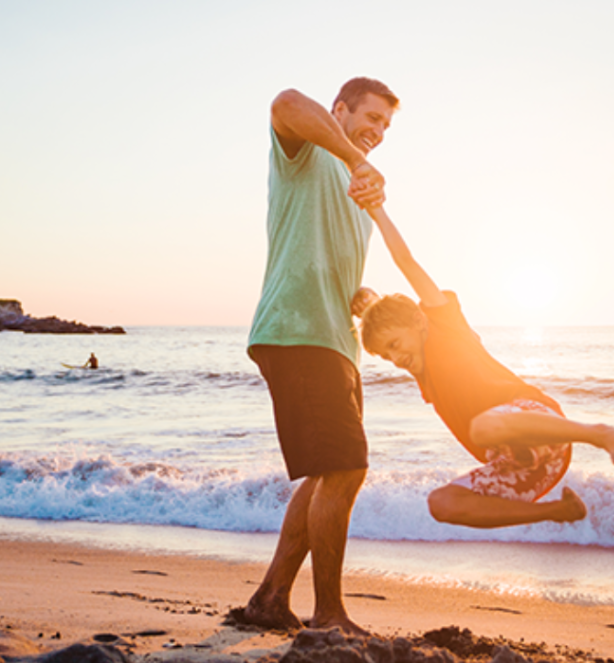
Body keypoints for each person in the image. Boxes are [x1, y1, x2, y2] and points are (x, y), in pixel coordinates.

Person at [357, 207, 614, 529]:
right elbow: (388, 319)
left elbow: (406, 262)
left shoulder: (444, 326)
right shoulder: (422, 371)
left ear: (419, 321)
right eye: (386, 357)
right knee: (442, 503)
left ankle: (598, 434)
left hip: (538, 421)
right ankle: (558, 511)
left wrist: (376, 209)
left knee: (482, 427)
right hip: (530, 467)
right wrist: (368, 305)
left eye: (394, 346)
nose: (395, 358)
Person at [242, 78, 399, 636]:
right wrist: (354, 153)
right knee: (347, 466)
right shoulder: (308, 150)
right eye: (371, 117)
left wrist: (366, 298)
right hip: (296, 328)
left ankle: (269, 599)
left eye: (385, 125)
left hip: (337, 340)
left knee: (327, 475)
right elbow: (284, 102)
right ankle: (328, 614)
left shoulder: (361, 194)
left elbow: (340, 270)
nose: (377, 132)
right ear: (340, 110)